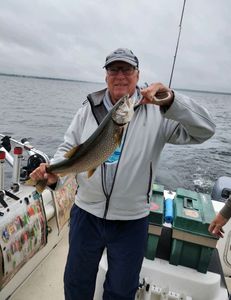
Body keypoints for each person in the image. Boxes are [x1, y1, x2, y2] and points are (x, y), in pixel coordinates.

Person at [30, 48, 216, 300]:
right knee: (76, 282)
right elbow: (68, 148)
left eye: (127, 69)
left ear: (138, 75)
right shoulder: (89, 108)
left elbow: (205, 130)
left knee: (121, 291)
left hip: (131, 221)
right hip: (87, 214)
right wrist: (55, 173)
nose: (120, 75)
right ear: (106, 76)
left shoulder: (158, 110)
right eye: (113, 69)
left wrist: (172, 101)